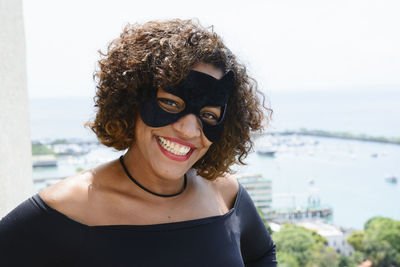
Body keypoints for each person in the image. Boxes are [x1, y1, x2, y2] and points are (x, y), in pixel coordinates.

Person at [0, 19, 276, 266]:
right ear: (131, 100)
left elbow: (263, 256)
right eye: (170, 103)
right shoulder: (71, 206)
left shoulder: (226, 195)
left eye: (208, 115)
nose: (190, 130)